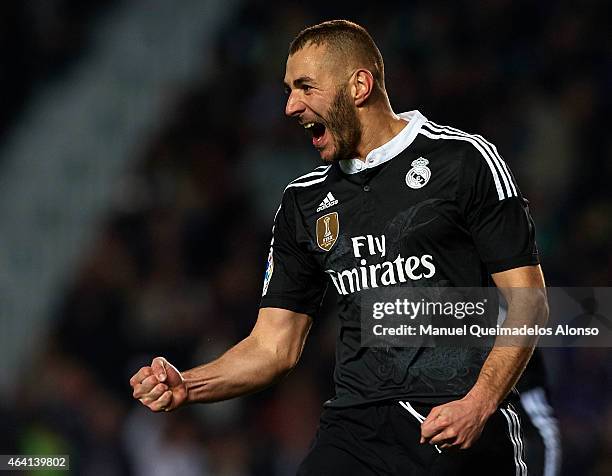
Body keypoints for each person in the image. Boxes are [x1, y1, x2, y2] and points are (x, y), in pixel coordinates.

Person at [130, 20, 548, 475]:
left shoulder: (463, 160)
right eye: (288, 90)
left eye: (305, 87)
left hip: (454, 424)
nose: (290, 106)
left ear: (360, 85)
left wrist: (479, 403)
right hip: (356, 430)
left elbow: (529, 300)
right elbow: (274, 347)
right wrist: (188, 385)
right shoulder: (302, 202)